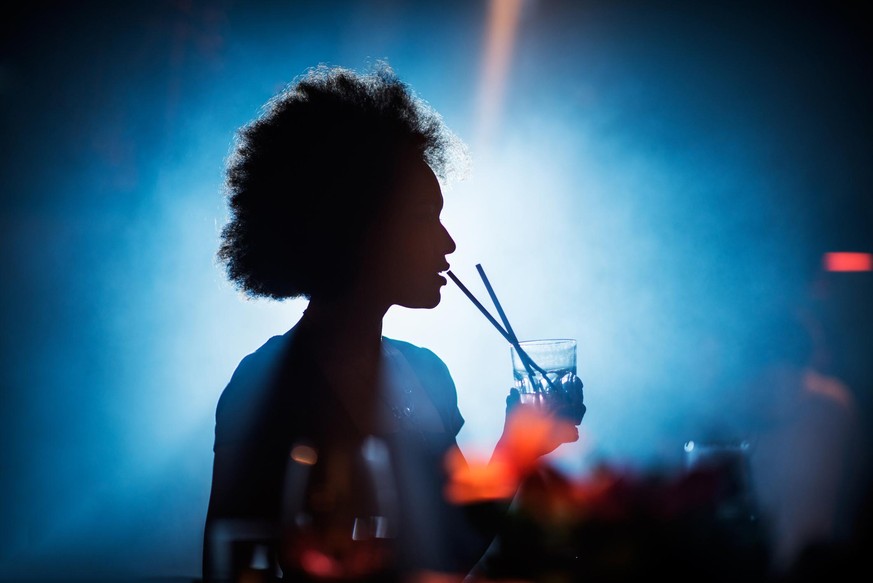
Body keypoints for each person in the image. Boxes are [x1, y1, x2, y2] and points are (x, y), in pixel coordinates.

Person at [203, 63, 586, 583]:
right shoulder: (264, 385)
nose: (447, 242)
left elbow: (447, 553)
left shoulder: (427, 373)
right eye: (423, 215)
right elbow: (231, 567)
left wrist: (516, 447)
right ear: (358, 225)